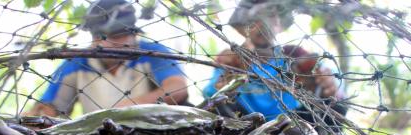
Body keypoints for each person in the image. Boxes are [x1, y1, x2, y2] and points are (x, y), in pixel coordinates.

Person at [27, 0, 188, 117]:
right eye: (98, 36)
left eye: (116, 36)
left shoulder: (152, 54)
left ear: (133, 33)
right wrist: (39, 114)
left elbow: (178, 88)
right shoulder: (76, 62)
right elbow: (51, 106)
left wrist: (126, 108)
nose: (104, 43)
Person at [203, 0, 347, 125]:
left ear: (280, 23)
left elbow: (328, 78)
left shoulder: (293, 55)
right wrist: (226, 79)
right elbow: (211, 96)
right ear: (244, 26)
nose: (262, 24)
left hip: (287, 124)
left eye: (270, 16)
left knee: (336, 107)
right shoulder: (232, 57)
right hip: (243, 124)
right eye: (255, 19)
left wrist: (329, 85)